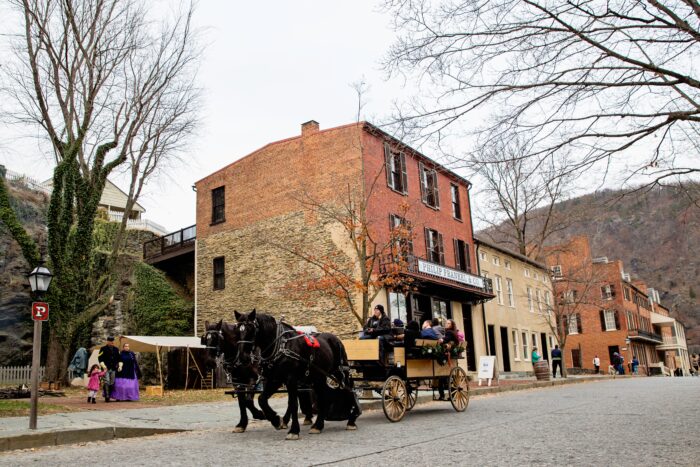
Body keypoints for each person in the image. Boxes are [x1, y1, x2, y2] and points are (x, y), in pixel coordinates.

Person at [97, 336, 120, 402]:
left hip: (113, 368)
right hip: (106, 368)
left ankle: (110, 394)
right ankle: (107, 396)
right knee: (106, 381)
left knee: (112, 382)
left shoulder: (116, 349)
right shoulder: (103, 348)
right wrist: (103, 366)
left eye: (112, 341)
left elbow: (119, 358)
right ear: (107, 341)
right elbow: (100, 358)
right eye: (110, 341)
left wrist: (119, 365)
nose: (112, 342)